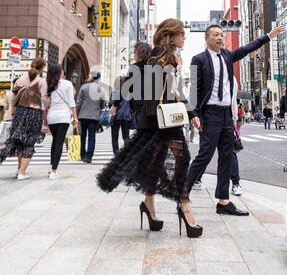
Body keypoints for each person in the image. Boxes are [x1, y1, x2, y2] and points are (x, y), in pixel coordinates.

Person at [97, 18, 202, 238]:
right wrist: (172, 70)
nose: (184, 37)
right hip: (157, 121)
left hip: (166, 120)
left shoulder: (171, 59)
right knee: (176, 159)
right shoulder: (156, 56)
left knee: (160, 164)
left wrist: (191, 114)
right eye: (182, 33)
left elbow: (177, 91)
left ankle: (149, 205)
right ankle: (184, 205)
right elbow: (152, 91)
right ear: (170, 36)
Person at [187, 23, 284, 216]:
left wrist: (269, 36)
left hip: (226, 115)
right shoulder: (198, 59)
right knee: (204, 156)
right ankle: (181, 195)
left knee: (227, 157)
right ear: (206, 38)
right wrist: (193, 114)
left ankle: (223, 201)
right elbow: (194, 89)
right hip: (210, 114)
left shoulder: (228, 56)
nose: (221, 38)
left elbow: (248, 48)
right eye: (216, 35)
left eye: (222, 35)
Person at [0, 57, 49, 180]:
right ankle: (21, 173)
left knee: (16, 140)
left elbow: (13, 97)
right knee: (29, 143)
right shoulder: (41, 82)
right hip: (34, 114)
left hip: (20, 113)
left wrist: (13, 110)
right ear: (42, 68)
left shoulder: (20, 79)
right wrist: (45, 116)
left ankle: (19, 169)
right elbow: (44, 101)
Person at [46, 64, 78, 180]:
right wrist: (75, 117)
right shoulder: (68, 84)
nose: (64, 72)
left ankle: (51, 167)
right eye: (62, 70)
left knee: (55, 141)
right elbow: (71, 102)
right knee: (59, 142)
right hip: (63, 116)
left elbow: (46, 103)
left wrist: (45, 119)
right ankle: (54, 170)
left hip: (51, 117)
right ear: (60, 72)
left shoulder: (48, 84)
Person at [76, 71, 105, 163]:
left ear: (92, 77)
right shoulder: (101, 89)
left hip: (82, 115)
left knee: (82, 136)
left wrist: (75, 115)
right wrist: (98, 108)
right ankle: (89, 157)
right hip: (94, 116)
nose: (88, 77)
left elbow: (78, 102)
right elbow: (102, 104)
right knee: (92, 136)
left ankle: (82, 154)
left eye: (89, 76)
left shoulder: (83, 87)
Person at [109, 77, 132, 154]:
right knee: (126, 136)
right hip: (126, 116)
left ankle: (116, 153)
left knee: (114, 136)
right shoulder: (128, 93)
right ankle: (127, 153)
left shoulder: (114, 93)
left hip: (116, 116)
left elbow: (111, 104)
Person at [231, 78, 243, 196]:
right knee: (206, 153)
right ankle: (194, 180)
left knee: (231, 153)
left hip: (228, 119)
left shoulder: (232, 78)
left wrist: (234, 117)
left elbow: (233, 100)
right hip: (211, 117)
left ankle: (236, 183)